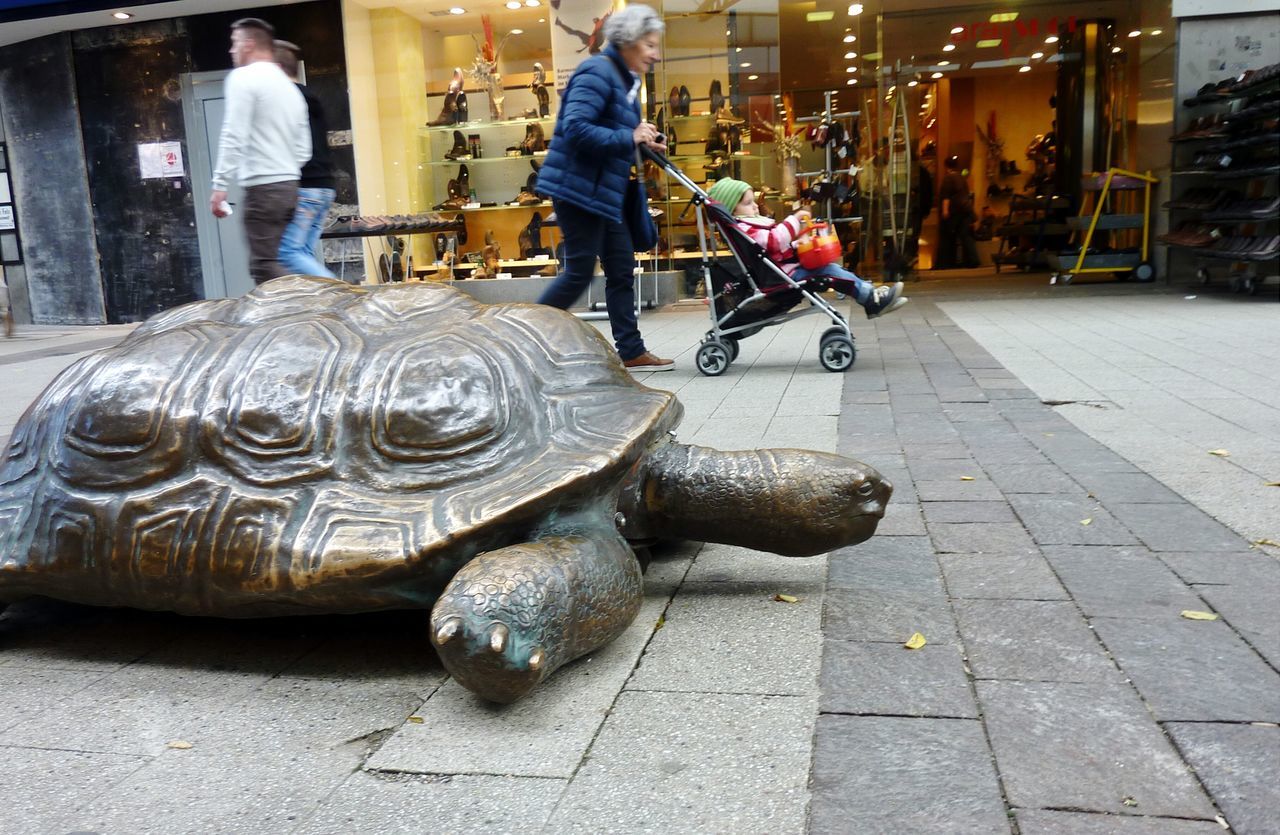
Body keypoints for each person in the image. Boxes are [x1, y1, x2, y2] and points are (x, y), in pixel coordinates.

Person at [534, 4, 673, 372]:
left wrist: (643, 143)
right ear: (628, 41)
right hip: (578, 191)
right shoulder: (596, 71)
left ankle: (630, 350)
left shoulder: (625, 80)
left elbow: (615, 136)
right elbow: (577, 128)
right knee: (578, 273)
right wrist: (628, 135)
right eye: (649, 45)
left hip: (604, 193)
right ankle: (524, 338)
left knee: (621, 268)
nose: (655, 54)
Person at [707, 177, 908, 319]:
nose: (756, 206)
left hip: (787, 269)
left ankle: (869, 293)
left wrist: (798, 243)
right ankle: (870, 299)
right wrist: (794, 219)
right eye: (749, 203)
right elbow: (775, 241)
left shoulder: (752, 224)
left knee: (833, 268)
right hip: (783, 276)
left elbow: (777, 247)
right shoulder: (745, 228)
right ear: (733, 209)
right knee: (831, 272)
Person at [209, 18, 311, 286]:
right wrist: (284, 170)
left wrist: (220, 185)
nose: (231, 51)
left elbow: (234, 133)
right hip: (289, 187)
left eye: (234, 44)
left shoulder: (244, 78)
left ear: (248, 44)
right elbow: (304, 149)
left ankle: (308, 300)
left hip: (263, 190)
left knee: (263, 266)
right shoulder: (291, 90)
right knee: (278, 258)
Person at [272, 39, 338, 280]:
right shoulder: (311, 96)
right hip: (323, 186)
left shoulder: (285, 98)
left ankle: (340, 292)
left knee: (287, 253)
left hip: (305, 187)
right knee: (303, 254)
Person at [936, 154, 980, 269]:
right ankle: (973, 259)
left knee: (948, 237)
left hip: (954, 211)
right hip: (966, 210)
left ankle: (947, 262)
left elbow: (946, 196)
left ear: (946, 166)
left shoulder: (948, 179)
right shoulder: (962, 178)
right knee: (965, 236)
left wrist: (945, 211)